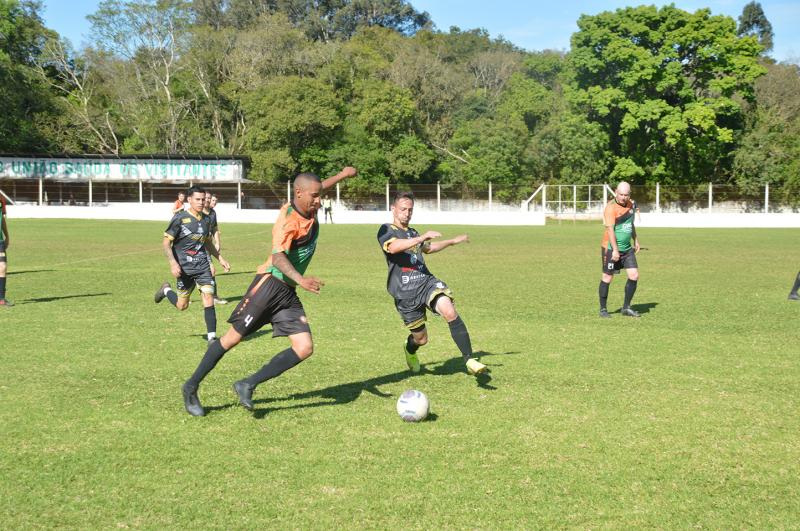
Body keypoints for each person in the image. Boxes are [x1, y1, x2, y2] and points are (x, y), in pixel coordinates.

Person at [180, 166, 358, 417]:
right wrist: (302, 279)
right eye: (314, 197)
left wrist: (341, 176)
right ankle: (190, 386)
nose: (319, 201)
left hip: (287, 292)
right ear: (299, 193)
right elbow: (277, 258)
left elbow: (316, 186)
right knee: (231, 339)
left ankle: (247, 384)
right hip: (269, 285)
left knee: (304, 347)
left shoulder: (307, 202)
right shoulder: (290, 220)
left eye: (319, 195)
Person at [377, 191, 487, 376]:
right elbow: (393, 247)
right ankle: (409, 348)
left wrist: (452, 241)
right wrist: (421, 238)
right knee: (421, 339)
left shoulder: (412, 232)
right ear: (393, 209)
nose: (407, 213)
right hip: (405, 293)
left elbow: (428, 248)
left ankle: (469, 359)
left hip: (426, 283)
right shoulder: (386, 230)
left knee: (449, 311)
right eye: (403, 209)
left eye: (410, 210)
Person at [155, 186, 231, 343]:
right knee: (182, 306)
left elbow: (207, 242)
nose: (202, 202)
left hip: (202, 266)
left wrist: (220, 258)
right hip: (184, 268)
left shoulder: (207, 219)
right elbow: (166, 243)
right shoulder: (180, 218)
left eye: (204, 199)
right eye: (198, 199)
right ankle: (166, 290)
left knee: (208, 297)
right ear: (189, 200)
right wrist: (173, 263)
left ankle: (212, 338)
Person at [598, 181, 641, 318]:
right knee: (607, 277)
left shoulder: (632, 204)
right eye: (621, 194)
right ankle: (603, 309)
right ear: (616, 191)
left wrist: (635, 239)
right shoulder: (610, 208)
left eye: (626, 195)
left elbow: (630, 223)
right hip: (611, 248)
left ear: (630, 194)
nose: (623, 197)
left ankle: (626, 308)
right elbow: (610, 230)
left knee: (634, 275)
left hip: (627, 249)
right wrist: (615, 250)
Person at [203, 192, 228, 305]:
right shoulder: (198, 213)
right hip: (198, 247)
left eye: (209, 198)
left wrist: (217, 243)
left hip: (208, 245)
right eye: (206, 198)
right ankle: (214, 296)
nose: (208, 200)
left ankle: (214, 296)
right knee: (211, 271)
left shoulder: (212, 213)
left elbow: (215, 229)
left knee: (209, 271)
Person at [0, 195, 12, 307]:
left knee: (3, 266)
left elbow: (2, 219)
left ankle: (1, 299)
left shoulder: (1, 199)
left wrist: (7, 236)